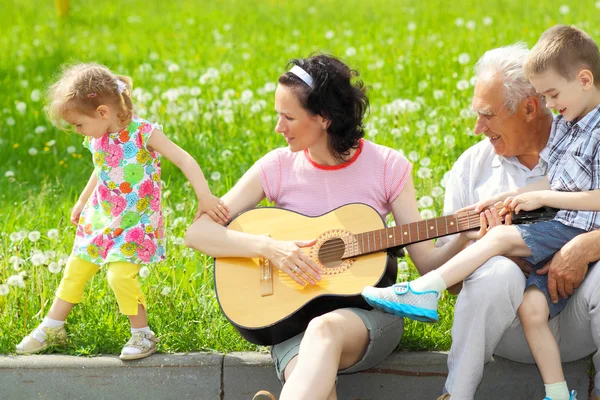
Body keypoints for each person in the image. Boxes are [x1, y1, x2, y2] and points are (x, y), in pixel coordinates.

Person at [184, 54, 480, 400]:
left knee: (324, 329)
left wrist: (463, 233)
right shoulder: (277, 167)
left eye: (288, 117)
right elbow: (198, 233)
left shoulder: (387, 166)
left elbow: (427, 264)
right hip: (290, 325)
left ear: (323, 119)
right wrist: (270, 248)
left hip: (367, 317)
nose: (278, 128)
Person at [364, 31, 600, 400]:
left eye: (487, 116)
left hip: (580, 323)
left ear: (529, 107)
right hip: (507, 327)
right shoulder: (471, 168)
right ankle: (456, 394)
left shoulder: (581, 133)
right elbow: (457, 285)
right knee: (498, 268)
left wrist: (589, 244)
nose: (477, 129)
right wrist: (470, 238)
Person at [16, 63, 228, 360]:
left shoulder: (143, 133)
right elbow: (102, 167)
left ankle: (142, 334)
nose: (78, 131)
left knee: (119, 276)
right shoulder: (98, 136)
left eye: (79, 124)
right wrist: (81, 200)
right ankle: (53, 326)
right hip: (101, 215)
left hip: (134, 220)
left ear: (102, 112)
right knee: (76, 268)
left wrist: (204, 197)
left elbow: (185, 160)